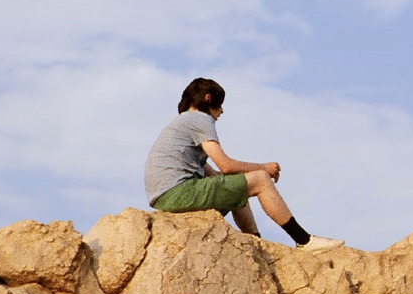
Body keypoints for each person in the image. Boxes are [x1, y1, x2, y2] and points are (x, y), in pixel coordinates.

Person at [143, 78, 343, 251]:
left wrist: (240, 180)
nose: (221, 111)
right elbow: (225, 165)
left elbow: (216, 174)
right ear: (208, 98)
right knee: (260, 180)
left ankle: (255, 243)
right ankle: (304, 240)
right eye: (219, 105)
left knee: (238, 185)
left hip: (166, 196)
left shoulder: (181, 123)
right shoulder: (199, 118)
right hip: (178, 193)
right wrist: (263, 168)